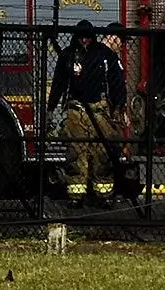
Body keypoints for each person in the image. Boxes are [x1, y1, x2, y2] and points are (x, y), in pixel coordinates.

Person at [49, 19, 127, 203]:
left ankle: (104, 195)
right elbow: (58, 84)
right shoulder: (67, 56)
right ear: (76, 37)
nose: (84, 41)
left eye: (88, 37)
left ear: (93, 37)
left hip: (100, 110)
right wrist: (51, 109)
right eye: (81, 37)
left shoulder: (104, 54)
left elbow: (117, 84)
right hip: (75, 111)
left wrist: (119, 106)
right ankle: (76, 196)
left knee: (103, 153)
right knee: (76, 153)